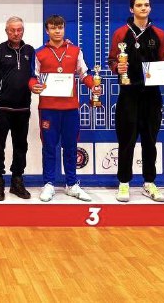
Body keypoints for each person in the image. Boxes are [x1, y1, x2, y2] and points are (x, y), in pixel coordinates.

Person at [108, 0, 164, 202]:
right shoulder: (121, 33)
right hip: (128, 94)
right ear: (132, 9)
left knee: (150, 141)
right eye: (139, 5)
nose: (143, 8)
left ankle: (149, 182)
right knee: (126, 140)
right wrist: (117, 67)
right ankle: (124, 183)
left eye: (146, 5)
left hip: (151, 96)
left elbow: (163, 61)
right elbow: (112, 60)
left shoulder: (159, 34)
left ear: (150, 8)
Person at [30, 15, 100, 202]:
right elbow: (33, 77)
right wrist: (33, 86)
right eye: (53, 28)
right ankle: (49, 184)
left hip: (70, 108)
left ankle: (72, 184)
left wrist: (93, 85)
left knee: (70, 146)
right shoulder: (39, 53)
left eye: (60, 27)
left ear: (64, 29)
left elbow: (84, 74)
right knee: (49, 147)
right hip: (48, 108)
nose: (57, 31)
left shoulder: (75, 51)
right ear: (47, 30)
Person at [0, 16, 35, 201]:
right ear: (6, 31)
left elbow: (41, 70)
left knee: (21, 147)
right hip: (0, 109)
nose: (16, 33)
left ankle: (17, 181)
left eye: (19, 30)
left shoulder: (30, 51)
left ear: (23, 31)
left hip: (23, 109)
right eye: (12, 30)